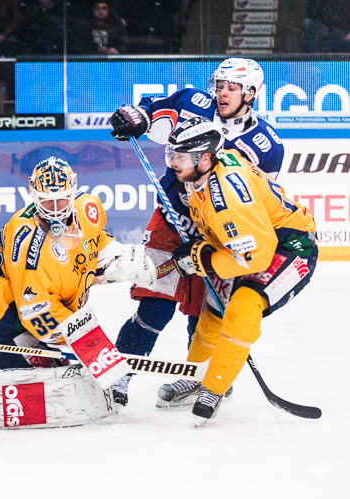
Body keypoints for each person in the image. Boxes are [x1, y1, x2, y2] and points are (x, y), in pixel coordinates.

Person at [108, 57, 284, 404]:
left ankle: (202, 378)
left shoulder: (267, 146)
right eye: (219, 86)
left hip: (217, 237)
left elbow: (256, 205)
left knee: (206, 313)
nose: (221, 93)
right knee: (154, 307)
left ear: (251, 93)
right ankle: (116, 378)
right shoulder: (192, 102)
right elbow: (149, 114)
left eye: (231, 88)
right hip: (172, 221)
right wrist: (134, 117)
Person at [155, 117, 316, 421]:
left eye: (180, 156)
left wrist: (205, 261)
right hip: (251, 239)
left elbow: (256, 255)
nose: (173, 162)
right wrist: (203, 247)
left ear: (203, 158)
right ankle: (195, 376)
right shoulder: (206, 168)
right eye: (171, 153)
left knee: (242, 307)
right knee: (215, 311)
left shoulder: (227, 194)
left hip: (290, 245)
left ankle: (214, 387)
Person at [0, 156, 155, 372]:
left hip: (30, 320)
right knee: (35, 398)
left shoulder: (86, 208)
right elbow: (37, 312)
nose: (55, 209)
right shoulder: (30, 246)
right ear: (34, 195)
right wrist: (93, 347)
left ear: (73, 191)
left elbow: (95, 240)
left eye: (62, 200)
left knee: (65, 386)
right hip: (2, 327)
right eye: (47, 201)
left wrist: (116, 258)